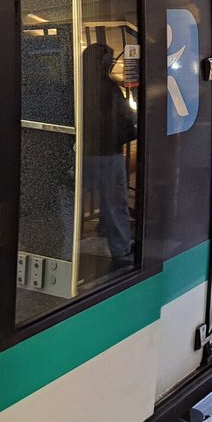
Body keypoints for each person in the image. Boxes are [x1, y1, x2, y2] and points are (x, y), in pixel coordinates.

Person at [80, 43, 137, 267]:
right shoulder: (109, 88)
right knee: (115, 202)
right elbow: (125, 118)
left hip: (83, 154)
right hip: (107, 154)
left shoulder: (77, 85)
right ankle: (121, 248)